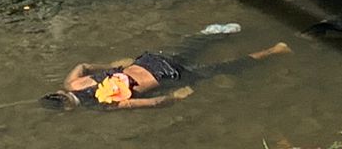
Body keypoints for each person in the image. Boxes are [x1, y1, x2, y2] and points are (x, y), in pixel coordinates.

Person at [41, 40, 290, 110]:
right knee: (195, 44)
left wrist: (178, 97)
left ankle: (274, 50)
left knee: (226, 67)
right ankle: (224, 30)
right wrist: (114, 65)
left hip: (169, 74)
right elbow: (83, 64)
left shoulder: (107, 103)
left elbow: (154, 101)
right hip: (151, 59)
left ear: (67, 109)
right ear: (60, 93)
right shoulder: (73, 82)